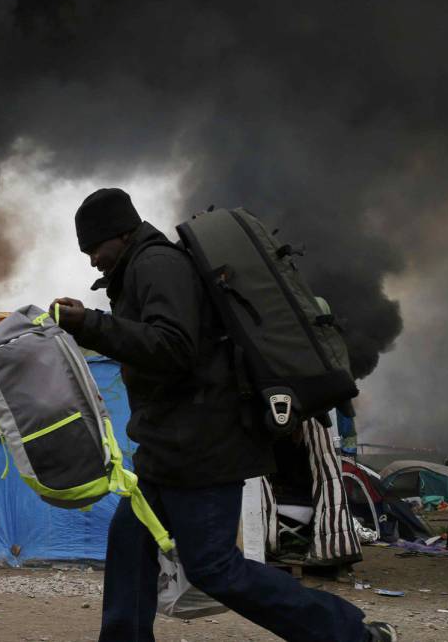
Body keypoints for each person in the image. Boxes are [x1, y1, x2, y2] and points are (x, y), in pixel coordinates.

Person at [50, 188, 395, 642]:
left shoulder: (157, 266)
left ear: (120, 232)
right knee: (129, 545)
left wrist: (90, 324)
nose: (93, 260)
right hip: (167, 448)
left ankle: (352, 634)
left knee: (215, 569)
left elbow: (174, 348)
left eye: (95, 247)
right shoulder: (137, 270)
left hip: (202, 449)